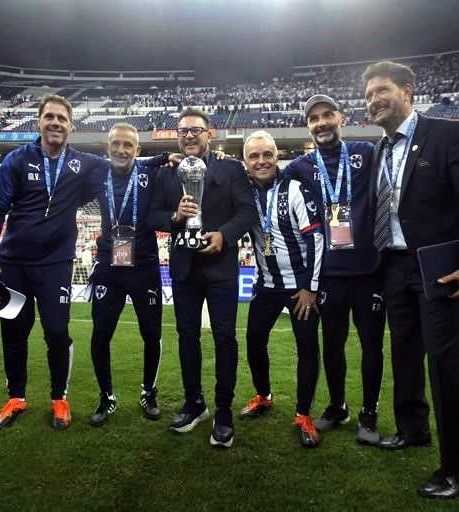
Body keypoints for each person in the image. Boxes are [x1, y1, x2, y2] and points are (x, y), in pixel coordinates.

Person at [363, 61, 459, 499]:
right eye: (367, 96)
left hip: (438, 265)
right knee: (403, 353)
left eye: (381, 90)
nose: (373, 100)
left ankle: (457, 468)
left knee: (444, 364)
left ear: (408, 91)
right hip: (394, 266)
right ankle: (412, 429)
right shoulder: (379, 149)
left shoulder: (447, 133)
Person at [0, 94, 106, 431]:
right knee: (13, 331)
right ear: (39, 122)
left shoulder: (82, 162)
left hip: (56, 264)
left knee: (56, 331)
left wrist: (165, 159)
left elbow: (124, 164)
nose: (55, 123)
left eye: (62, 119)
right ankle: (16, 397)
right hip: (14, 263)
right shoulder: (17, 160)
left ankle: (59, 398)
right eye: (49, 117)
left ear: (70, 126)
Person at [148, 107, 257, 448]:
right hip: (183, 268)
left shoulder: (230, 168)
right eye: (183, 131)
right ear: (178, 136)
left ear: (210, 134)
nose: (190, 135)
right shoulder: (167, 173)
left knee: (225, 337)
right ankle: (194, 402)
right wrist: (173, 216)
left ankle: (223, 409)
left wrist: (224, 235)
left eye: (196, 130)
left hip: (221, 267)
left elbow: (247, 211)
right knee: (187, 337)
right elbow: (151, 215)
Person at [283, 94, 384, 445]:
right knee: (333, 345)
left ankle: (368, 413)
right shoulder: (300, 166)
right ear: (308, 126)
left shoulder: (366, 152)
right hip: (329, 274)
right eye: (314, 118)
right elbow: (263, 178)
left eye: (328, 115)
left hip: (369, 269)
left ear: (341, 118)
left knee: (372, 345)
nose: (322, 122)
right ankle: (338, 405)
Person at [238, 131, 324, 448]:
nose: (261, 161)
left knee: (307, 350)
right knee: (253, 343)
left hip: (299, 288)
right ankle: (264, 395)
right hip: (267, 286)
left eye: (267, 154)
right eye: (254, 156)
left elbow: (316, 239)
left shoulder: (295, 189)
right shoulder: (244, 192)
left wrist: (310, 288)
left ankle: (303, 414)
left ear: (277, 156)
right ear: (245, 161)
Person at [87, 123, 176, 426]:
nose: (122, 150)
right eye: (116, 144)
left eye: (128, 145)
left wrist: (170, 157)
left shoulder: (150, 170)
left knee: (151, 334)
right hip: (108, 267)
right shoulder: (97, 172)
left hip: (145, 266)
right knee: (101, 335)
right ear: (107, 147)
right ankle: (106, 397)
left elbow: (167, 160)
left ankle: (149, 392)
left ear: (137, 150)